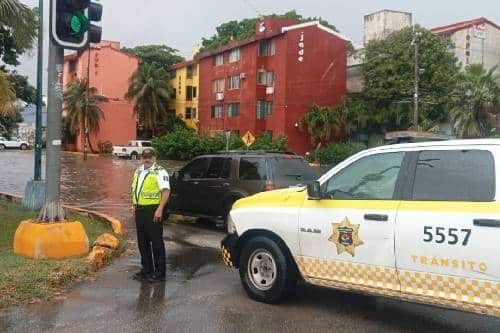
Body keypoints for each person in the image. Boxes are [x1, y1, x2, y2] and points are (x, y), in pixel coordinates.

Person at [131, 148, 170, 282]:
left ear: (154, 158)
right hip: (140, 210)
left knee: (156, 242)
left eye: (150, 157)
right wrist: (134, 204)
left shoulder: (160, 171)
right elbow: (136, 189)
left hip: (153, 210)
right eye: (144, 157)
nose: (147, 159)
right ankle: (146, 270)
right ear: (141, 158)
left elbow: (166, 191)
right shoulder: (139, 170)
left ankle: (160, 273)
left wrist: (160, 209)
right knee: (143, 242)